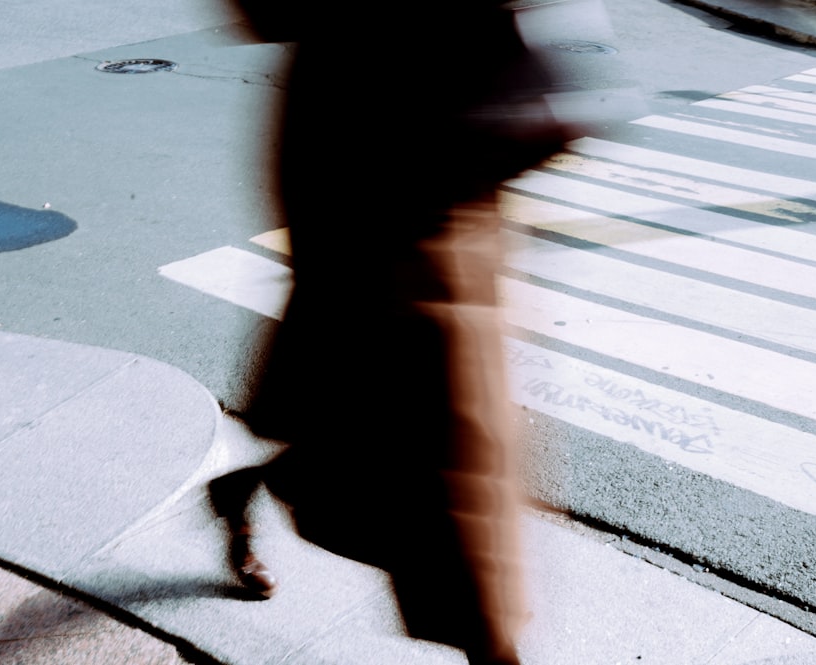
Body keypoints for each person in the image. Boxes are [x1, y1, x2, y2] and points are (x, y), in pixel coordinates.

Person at [208, 2, 567, 663]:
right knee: (443, 472)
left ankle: (269, 480)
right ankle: (490, 644)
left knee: (424, 453)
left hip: (440, 164)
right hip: (371, 149)